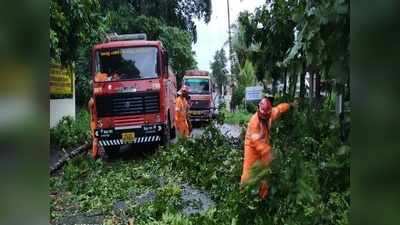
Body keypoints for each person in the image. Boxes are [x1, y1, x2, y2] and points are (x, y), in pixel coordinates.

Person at [240, 97, 296, 199]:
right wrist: (270, 154)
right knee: (248, 175)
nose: (265, 118)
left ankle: (262, 198)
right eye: (264, 117)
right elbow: (258, 144)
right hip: (252, 148)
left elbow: (279, 109)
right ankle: (243, 196)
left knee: (264, 176)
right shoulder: (254, 122)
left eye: (267, 116)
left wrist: (290, 105)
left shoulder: (270, 114)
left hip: (264, 148)